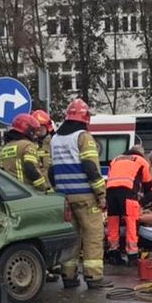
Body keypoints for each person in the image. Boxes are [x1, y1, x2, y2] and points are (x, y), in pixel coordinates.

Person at [49, 98, 111, 289]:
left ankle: (68, 276)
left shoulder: (55, 138)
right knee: (93, 235)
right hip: (85, 197)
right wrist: (101, 193)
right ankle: (94, 277)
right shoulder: (83, 137)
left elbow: (52, 171)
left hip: (64, 198)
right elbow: (90, 167)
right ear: (85, 118)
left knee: (71, 238)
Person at [104, 144, 151, 264]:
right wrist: (147, 201)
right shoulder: (141, 161)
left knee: (113, 222)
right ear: (141, 153)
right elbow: (147, 183)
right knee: (131, 223)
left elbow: (111, 176)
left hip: (110, 192)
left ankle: (113, 253)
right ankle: (132, 256)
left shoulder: (115, 159)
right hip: (128, 193)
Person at [0, 113, 48, 191]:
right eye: (33, 131)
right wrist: (44, 187)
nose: (35, 134)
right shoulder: (27, 145)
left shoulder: (5, 148)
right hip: (26, 191)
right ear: (28, 130)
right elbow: (30, 168)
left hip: (7, 191)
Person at [32, 109, 55, 185]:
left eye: (41, 127)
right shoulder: (29, 144)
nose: (38, 131)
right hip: (37, 186)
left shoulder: (54, 142)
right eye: (36, 128)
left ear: (47, 127)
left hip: (53, 185)